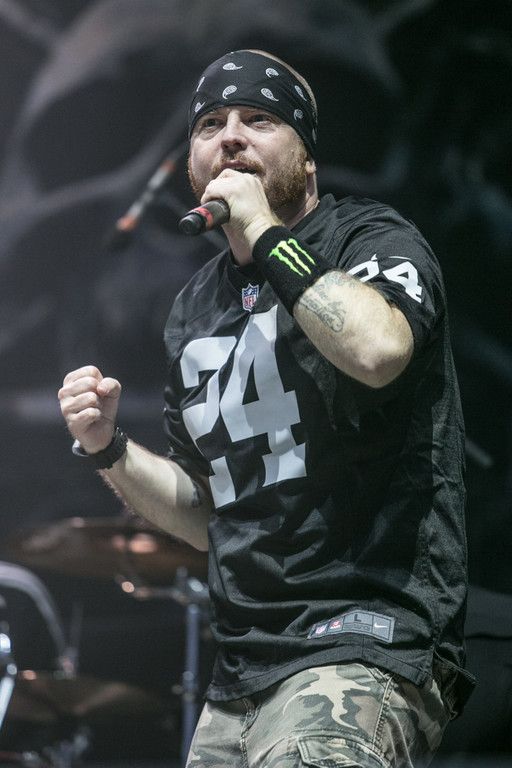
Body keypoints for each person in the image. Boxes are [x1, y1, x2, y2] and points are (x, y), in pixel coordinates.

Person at [58, 49, 475, 767]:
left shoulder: (369, 239)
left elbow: (378, 348)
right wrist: (108, 447)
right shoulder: (196, 308)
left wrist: (265, 232)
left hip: (362, 640)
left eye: (259, 119)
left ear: (307, 157)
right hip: (241, 674)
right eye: (211, 124)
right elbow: (206, 513)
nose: (230, 136)